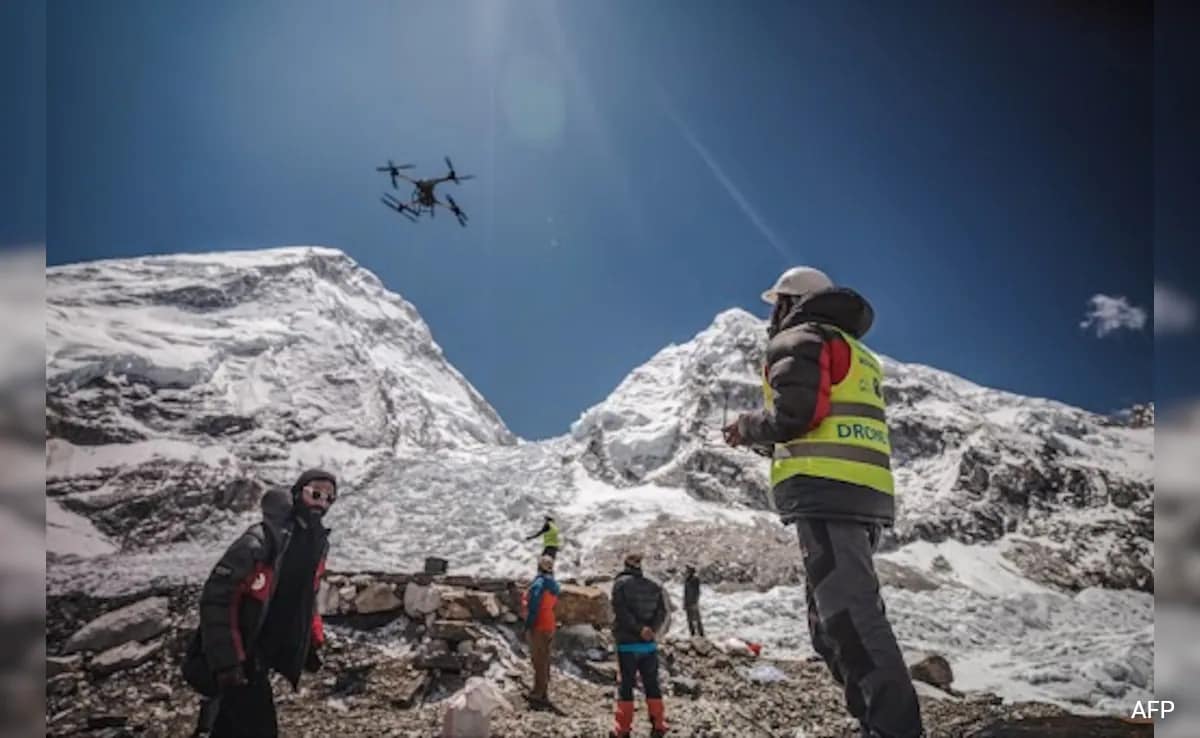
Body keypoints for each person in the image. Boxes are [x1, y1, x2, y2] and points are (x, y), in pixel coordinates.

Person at [722, 266, 925, 738]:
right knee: (831, 624)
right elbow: (822, 417)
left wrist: (749, 426)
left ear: (789, 303)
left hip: (827, 491)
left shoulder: (799, 339)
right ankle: (874, 722)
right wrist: (764, 438)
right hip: (858, 492)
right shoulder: (853, 349)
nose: (771, 317)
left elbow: (797, 416)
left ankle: (893, 730)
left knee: (850, 619)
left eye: (775, 305)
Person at [188, 469, 336, 738]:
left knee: (230, 727)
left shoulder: (313, 545)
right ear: (297, 493)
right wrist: (228, 661)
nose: (320, 503)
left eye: (328, 499)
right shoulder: (260, 541)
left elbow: (306, 598)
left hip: (261, 654)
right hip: (242, 654)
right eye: (315, 494)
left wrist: (311, 643)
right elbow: (217, 599)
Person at [610, 553, 668, 738]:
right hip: (648, 645)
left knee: (626, 685)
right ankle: (658, 725)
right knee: (652, 684)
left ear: (626, 563)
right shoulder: (654, 585)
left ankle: (623, 729)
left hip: (627, 644)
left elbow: (620, 611)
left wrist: (638, 628)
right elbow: (662, 611)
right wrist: (651, 629)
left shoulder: (620, 584)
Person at [522, 555, 561, 710]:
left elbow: (534, 606)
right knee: (545, 658)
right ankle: (542, 689)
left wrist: (528, 624)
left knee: (538, 659)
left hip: (539, 624)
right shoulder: (554, 584)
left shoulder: (538, 584)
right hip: (549, 622)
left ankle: (538, 692)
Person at [683, 565, 703, 638]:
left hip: (693, 602)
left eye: (687, 571)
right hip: (688, 602)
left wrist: (695, 602)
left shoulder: (695, 579)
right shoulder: (687, 580)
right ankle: (692, 634)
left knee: (697, 619)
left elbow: (697, 591)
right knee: (689, 620)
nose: (686, 572)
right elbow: (685, 593)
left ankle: (701, 634)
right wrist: (684, 603)